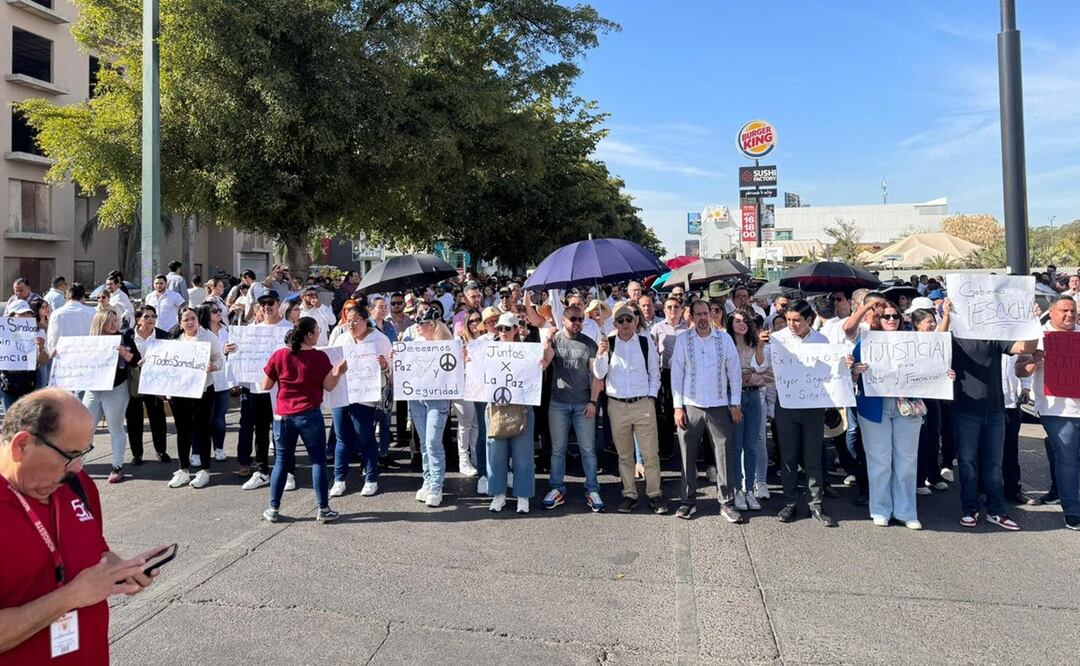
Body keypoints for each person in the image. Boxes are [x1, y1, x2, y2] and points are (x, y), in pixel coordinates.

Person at [0, 389, 163, 662]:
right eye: (69, 454)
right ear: (21, 446)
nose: (76, 468)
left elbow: (96, 550)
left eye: (83, 453)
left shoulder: (77, 484)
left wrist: (120, 569)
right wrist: (68, 597)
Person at [938, 297, 1036, 530]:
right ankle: (969, 509)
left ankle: (997, 511)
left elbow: (1026, 348)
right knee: (968, 463)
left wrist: (1032, 322)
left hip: (995, 411)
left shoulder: (995, 337)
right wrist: (946, 316)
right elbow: (937, 344)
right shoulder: (955, 338)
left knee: (994, 465)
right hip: (965, 411)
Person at [847, 301, 932, 530]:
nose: (892, 319)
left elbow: (930, 369)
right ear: (878, 320)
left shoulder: (913, 342)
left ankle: (906, 511)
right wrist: (855, 372)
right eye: (886, 316)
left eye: (895, 316)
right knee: (880, 461)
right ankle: (880, 509)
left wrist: (944, 375)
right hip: (874, 407)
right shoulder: (866, 342)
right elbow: (851, 376)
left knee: (906, 461)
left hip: (907, 406)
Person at [261, 317, 346, 523]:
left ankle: (273, 508)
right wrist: (338, 372)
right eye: (317, 331)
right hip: (309, 415)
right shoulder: (319, 357)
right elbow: (329, 386)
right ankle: (323, 509)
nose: (319, 334)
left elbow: (265, 385)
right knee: (317, 461)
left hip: (282, 416)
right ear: (309, 335)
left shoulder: (279, 355)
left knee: (281, 462)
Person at [670, 299, 743, 521]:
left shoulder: (724, 339)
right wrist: (677, 407)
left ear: (711, 315)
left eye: (706, 313)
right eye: (698, 314)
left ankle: (726, 502)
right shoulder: (683, 340)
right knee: (687, 454)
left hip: (719, 405)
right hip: (691, 406)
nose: (703, 318)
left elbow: (734, 372)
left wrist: (735, 403)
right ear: (691, 317)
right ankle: (687, 501)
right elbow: (676, 374)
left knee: (723, 454)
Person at [592, 303, 664, 514]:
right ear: (614, 324)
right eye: (620, 320)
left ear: (635, 322)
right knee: (624, 455)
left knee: (650, 453)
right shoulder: (608, 342)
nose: (625, 323)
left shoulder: (644, 341)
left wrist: (651, 398)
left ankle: (654, 494)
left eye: (629, 319)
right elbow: (599, 373)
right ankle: (629, 494)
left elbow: (655, 371)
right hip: (617, 405)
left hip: (642, 404)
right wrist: (601, 354)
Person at [1016, 295, 1080, 530]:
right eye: (1064, 310)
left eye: (1073, 311)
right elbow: (1020, 370)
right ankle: (1072, 511)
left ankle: (1064, 496)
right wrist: (1035, 360)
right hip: (1056, 411)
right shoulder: (1038, 337)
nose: (1070, 315)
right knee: (1068, 458)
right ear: (1051, 312)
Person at [771, 300, 836, 527]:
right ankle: (790, 502)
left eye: (797, 320)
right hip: (786, 405)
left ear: (809, 319)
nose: (791, 324)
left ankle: (815, 503)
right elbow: (759, 363)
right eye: (788, 319)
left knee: (813, 457)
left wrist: (843, 364)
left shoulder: (821, 340)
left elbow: (830, 371)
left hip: (813, 406)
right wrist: (760, 347)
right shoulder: (777, 339)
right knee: (788, 457)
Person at [483, 313, 548, 513]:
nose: (502, 332)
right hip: (495, 408)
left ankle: (523, 496)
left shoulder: (527, 350)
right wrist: (469, 359)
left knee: (523, 454)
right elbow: (478, 373)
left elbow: (541, 368)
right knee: (496, 453)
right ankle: (498, 494)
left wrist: (544, 355)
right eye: (499, 328)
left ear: (516, 330)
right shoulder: (488, 350)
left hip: (522, 407)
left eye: (507, 328)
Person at [542, 304, 604, 512]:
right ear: (563, 320)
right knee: (558, 450)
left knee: (588, 450)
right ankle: (556, 488)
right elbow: (543, 363)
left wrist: (593, 402)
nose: (578, 323)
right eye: (573, 319)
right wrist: (547, 341)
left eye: (580, 319)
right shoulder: (556, 340)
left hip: (583, 403)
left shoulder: (589, 343)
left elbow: (596, 375)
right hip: (558, 403)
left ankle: (592, 489)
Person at [327, 302, 390, 498]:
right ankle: (339, 479)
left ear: (365, 320)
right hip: (341, 395)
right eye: (348, 321)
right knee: (342, 438)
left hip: (365, 397)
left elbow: (392, 369)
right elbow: (330, 363)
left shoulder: (379, 339)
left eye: (355, 321)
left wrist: (385, 365)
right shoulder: (342, 339)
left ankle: (371, 478)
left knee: (365, 437)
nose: (351, 325)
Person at [232, 291, 293, 490]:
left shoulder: (289, 329)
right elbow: (239, 357)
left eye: (270, 302)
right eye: (262, 303)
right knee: (260, 431)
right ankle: (262, 471)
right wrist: (230, 351)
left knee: (283, 431)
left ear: (278, 304)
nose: (266, 307)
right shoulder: (251, 331)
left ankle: (288, 471)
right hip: (257, 388)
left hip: (282, 390)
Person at [165, 306, 224, 489]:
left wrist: (213, 366)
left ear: (198, 319)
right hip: (180, 392)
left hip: (203, 390)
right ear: (180, 323)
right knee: (182, 431)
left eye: (193, 318)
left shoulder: (208, 337)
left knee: (202, 430)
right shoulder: (175, 338)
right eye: (186, 319)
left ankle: (204, 470)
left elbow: (219, 359)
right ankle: (183, 469)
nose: (190, 322)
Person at [81, 309, 139, 484]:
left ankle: (117, 466)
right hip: (93, 389)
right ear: (100, 323)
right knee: (84, 428)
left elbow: (136, 359)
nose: (114, 324)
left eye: (116, 320)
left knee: (115, 427)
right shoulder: (89, 341)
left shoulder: (124, 338)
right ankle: (77, 466)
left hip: (116, 388)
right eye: (109, 321)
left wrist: (125, 354)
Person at [410, 309, 456, 507]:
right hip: (417, 397)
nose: (418, 326)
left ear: (432, 325)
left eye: (421, 322)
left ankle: (437, 485)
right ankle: (428, 480)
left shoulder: (447, 345)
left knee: (432, 442)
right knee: (423, 443)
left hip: (438, 399)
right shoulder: (413, 344)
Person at [726, 307, 770, 511]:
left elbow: (763, 370)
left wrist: (760, 347)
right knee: (736, 446)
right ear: (730, 323)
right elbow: (726, 374)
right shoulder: (726, 344)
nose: (742, 324)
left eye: (745, 320)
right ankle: (737, 490)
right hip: (733, 397)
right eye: (737, 320)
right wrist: (747, 375)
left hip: (754, 396)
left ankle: (750, 489)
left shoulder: (755, 344)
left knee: (751, 445)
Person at [125, 306, 172, 465]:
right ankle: (137, 454)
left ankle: (161, 451)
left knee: (157, 417)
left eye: (153, 316)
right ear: (138, 319)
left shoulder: (163, 335)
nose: (151, 319)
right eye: (147, 316)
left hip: (155, 382)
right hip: (135, 381)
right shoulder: (127, 335)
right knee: (134, 418)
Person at [652, 296, 690, 460]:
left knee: (687, 410)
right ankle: (667, 448)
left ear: (681, 309)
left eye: (676, 306)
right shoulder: (657, 328)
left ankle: (689, 448)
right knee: (668, 411)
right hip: (666, 373)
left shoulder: (688, 328)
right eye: (669, 307)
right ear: (664, 310)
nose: (673, 310)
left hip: (687, 374)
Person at [454, 308, 486, 481]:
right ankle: (463, 460)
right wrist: (463, 360)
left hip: (479, 386)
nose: (475, 323)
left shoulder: (485, 340)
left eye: (477, 319)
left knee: (476, 423)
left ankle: (475, 457)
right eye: (471, 321)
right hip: (463, 385)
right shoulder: (459, 341)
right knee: (464, 424)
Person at [197, 303, 232, 462]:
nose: (219, 313)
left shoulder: (226, 330)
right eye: (214, 311)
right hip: (205, 384)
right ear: (205, 314)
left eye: (220, 310)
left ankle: (219, 448)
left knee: (219, 419)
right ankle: (197, 452)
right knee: (202, 420)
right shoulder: (200, 333)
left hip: (223, 382)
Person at [0, 300, 48, 409]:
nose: (25, 316)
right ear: (11, 316)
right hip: (7, 383)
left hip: (28, 382)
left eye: (28, 313)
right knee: (10, 415)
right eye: (21, 314)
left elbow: (43, 362)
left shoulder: (38, 332)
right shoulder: (3, 333)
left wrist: (41, 348)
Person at [46, 283, 95, 355]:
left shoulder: (56, 314)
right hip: (86, 354)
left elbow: (51, 338)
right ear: (82, 297)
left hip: (62, 355)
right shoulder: (92, 312)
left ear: (66, 296)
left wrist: (52, 353)